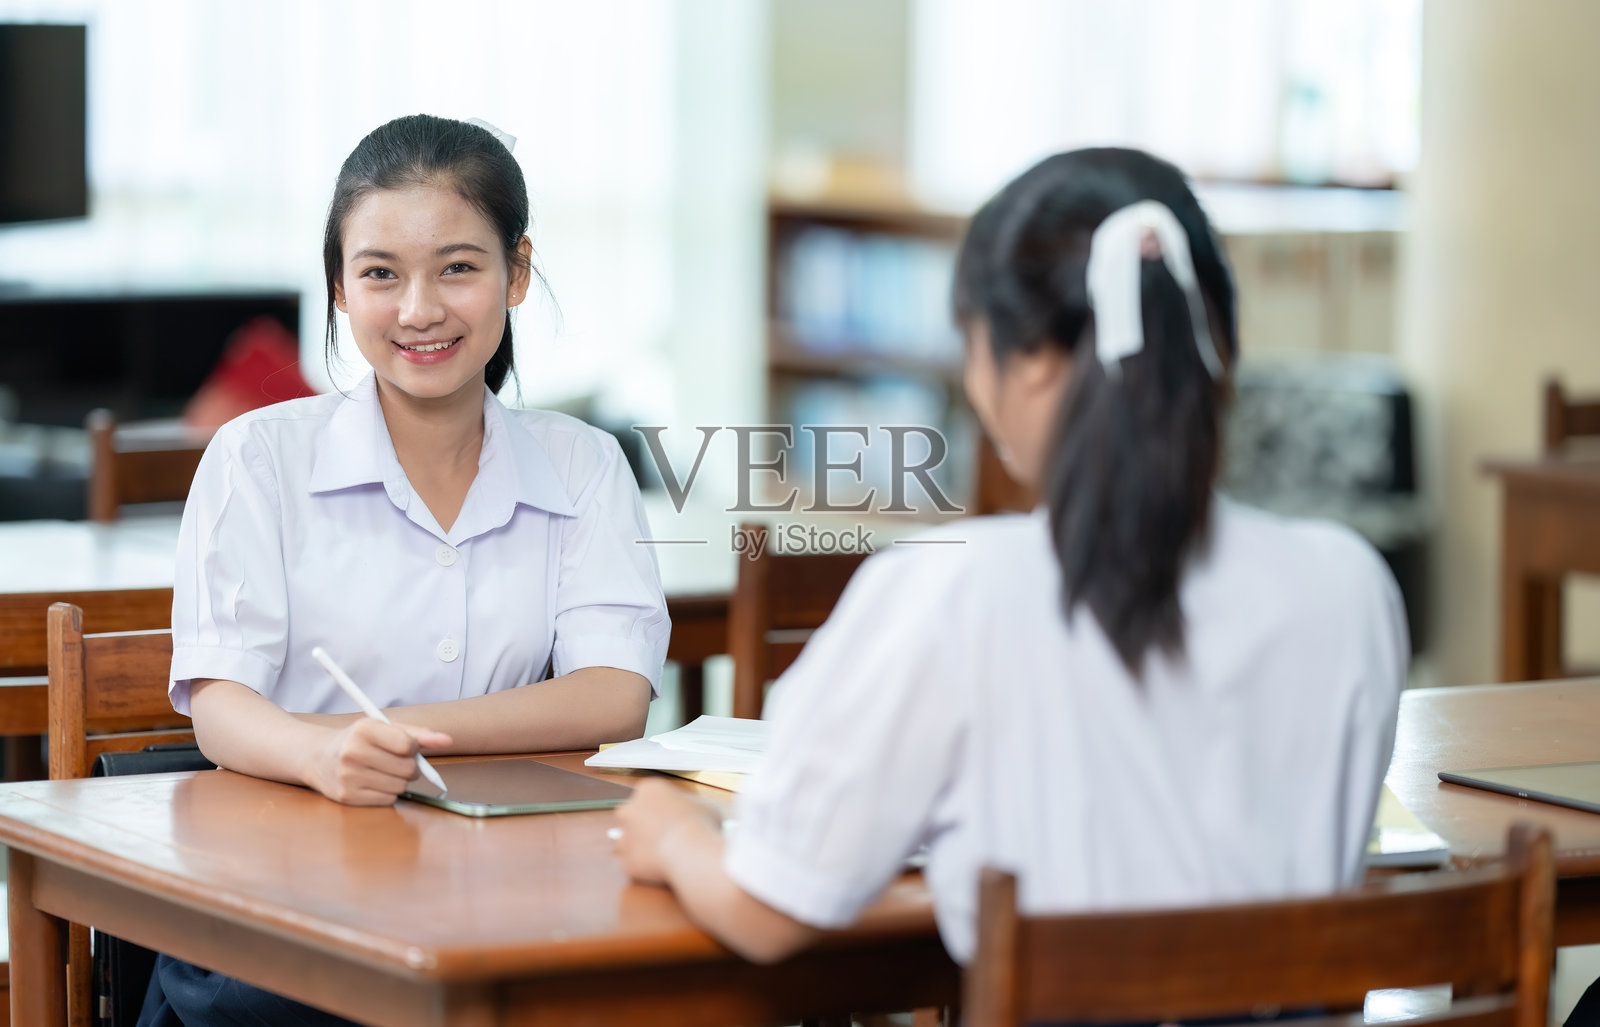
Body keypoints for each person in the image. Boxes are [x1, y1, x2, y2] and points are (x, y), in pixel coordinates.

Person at [613, 147, 1408, 971]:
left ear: (1023, 362)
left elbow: (771, 907)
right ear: (1219, 351)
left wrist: (676, 837)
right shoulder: (1351, 586)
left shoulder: (951, 589)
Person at [139, 114, 669, 1026]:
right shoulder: (257, 457)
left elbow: (614, 693)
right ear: (341, 289)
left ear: (519, 271)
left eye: (458, 267)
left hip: (502, 887)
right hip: (284, 898)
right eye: (380, 273)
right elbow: (222, 704)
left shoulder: (583, 464)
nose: (418, 308)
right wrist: (318, 752)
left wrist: (384, 732)